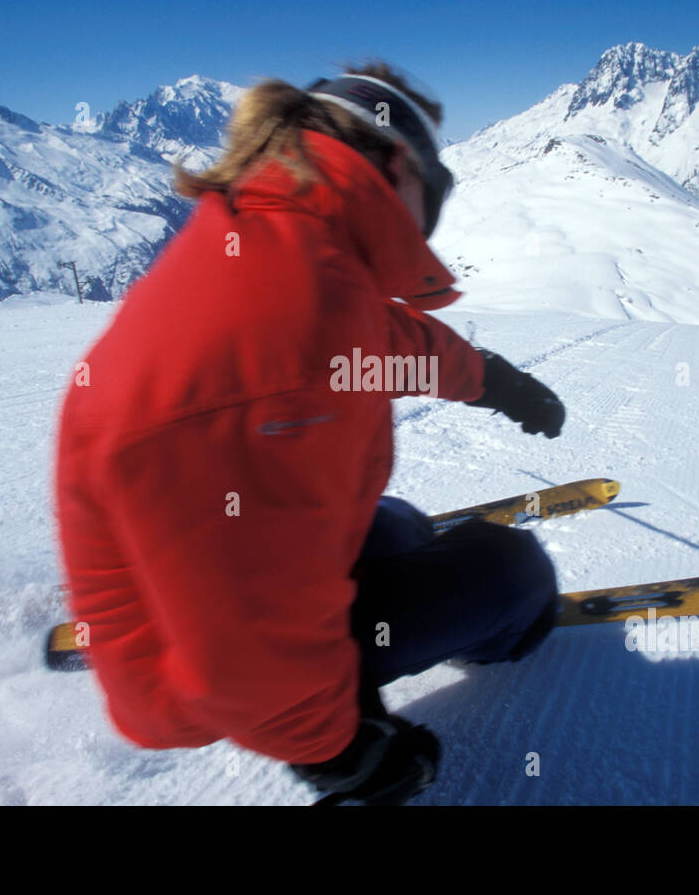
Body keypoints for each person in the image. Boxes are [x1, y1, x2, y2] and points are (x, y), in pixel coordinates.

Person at [55, 63, 566, 805]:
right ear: (395, 166)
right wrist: (345, 751)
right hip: (195, 673)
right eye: (439, 184)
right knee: (516, 571)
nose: (436, 211)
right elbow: (243, 652)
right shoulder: (293, 325)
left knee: (400, 525)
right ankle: (517, 615)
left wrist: (496, 382)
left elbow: (387, 341)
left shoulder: (278, 249)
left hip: (172, 594)